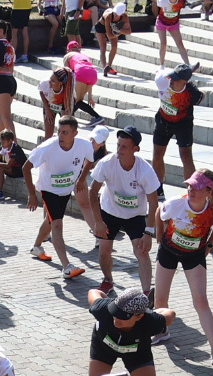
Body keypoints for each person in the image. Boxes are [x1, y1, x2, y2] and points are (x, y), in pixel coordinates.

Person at [153, 171, 213, 364]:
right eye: (189, 185)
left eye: (197, 187)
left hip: (194, 256)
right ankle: (162, 331)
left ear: (209, 192)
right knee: (160, 298)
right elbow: (158, 212)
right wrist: (159, 232)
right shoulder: (176, 203)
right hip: (168, 251)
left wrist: (210, 244)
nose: (191, 190)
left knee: (201, 301)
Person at [86, 125, 162, 292]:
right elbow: (92, 193)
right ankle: (107, 279)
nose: (119, 150)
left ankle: (147, 292)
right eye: (118, 145)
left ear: (135, 149)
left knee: (141, 251)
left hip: (135, 215)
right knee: (104, 250)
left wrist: (149, 232)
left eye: (124, 147)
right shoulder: (107, 163)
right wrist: (97, 221)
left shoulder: (144, 170)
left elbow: (154, 202)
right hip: (109, 211)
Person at [23, 118, 95, 280]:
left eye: (65, 132)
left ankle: (36, 247)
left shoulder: (84, 145)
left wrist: (82, 178)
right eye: (59, 131)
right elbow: (25, 167)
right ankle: (67, 266)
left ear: (74, 133)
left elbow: (90, 160)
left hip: (66, 190)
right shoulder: (47, 148)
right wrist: (32, 194)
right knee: (57, 224)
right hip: (49, 190)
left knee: (50, 220)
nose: (60, 136)